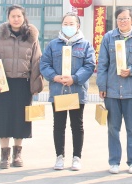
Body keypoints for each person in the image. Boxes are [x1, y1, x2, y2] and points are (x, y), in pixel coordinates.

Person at [0, 5, 44, 169]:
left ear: (24, 18)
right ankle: (4, 155)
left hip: (23, 84)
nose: (16, 19)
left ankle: (17, 154)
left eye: (19, 16)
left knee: (21, 120)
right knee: (2, 119)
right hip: (3, 84)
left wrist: (35, 85)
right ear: (8, 18)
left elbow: (36, 61)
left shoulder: (31, 37)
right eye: (13, 16)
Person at [97, 7, 132, 174]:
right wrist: (102, 86)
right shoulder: (108, 37)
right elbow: (102, 64)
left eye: (125, 18)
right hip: (112, 91)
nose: (122, 21)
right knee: (113, 128)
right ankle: (114, 161)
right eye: (119, 19)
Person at [40, 12, 96, 171]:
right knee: (59, 125)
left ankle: (77, 157)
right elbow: (44, 64)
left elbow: (89, 65)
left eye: (72, 24)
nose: (68, 26)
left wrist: (75, 78)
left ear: (78, 26)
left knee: (77, 125)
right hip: (58, 91)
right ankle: (59, 156)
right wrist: (54, 76)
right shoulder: (53, 45)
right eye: (65, 23)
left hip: (76, 91)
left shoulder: (85, 45)